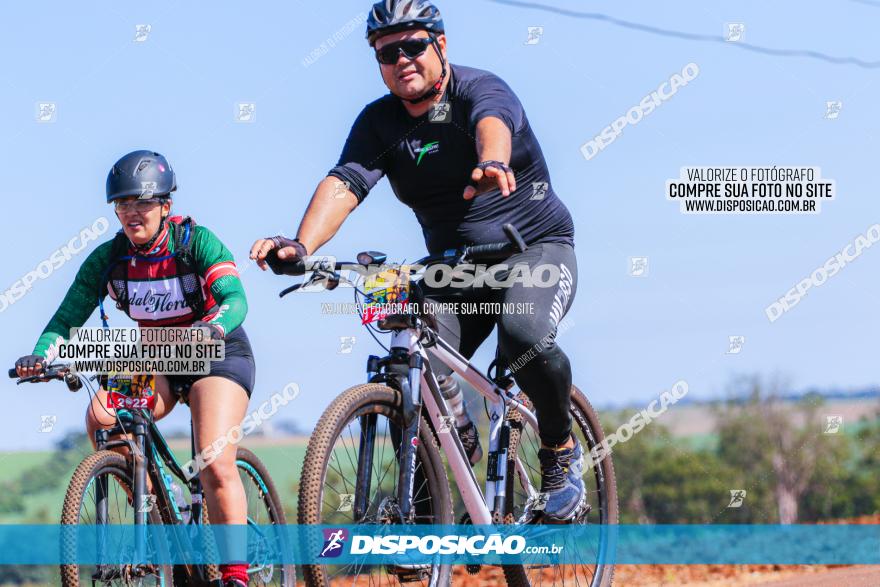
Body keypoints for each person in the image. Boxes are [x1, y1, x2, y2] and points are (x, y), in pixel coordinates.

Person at [250, 0, 584, 522]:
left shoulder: (480, 90)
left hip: (534, 250)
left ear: (441, 45)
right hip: (454, 270)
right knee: (414, 362)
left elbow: (491, 124)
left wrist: (492, 160)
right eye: (388, 53)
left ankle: (560, 452)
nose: (402, 59)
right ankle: (430, 507)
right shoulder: (379, 123)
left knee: (522, 336)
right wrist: (300, 247)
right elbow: (346, 182)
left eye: (413, 45)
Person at [15, 150, 255, 586]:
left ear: (166, 206)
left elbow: (236, 300)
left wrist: (213, 327)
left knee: (215, 462)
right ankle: (158, 506)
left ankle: (235, 574)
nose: (131, 212)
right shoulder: (109, 259)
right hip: (158, 356)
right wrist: (41, 355)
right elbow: (66, 319)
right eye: (122, 204)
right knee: (103, 415)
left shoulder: (196, 242)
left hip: (217, 351)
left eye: (142, 203)